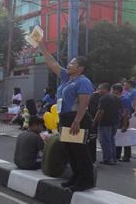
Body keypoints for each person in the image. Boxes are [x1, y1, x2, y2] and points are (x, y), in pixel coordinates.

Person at [37, 41, 95, 191]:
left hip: (77, 118)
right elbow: (52, 62)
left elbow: (83, 103)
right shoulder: (66, 78)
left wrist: (77, 121)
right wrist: (41, 46)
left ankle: (86, 180)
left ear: (80, 68)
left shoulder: (83, 82)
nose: (69, 65)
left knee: (79, 150)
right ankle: (76, 176)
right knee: (69, 149)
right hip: (65, 117)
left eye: (72, 63)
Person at [94, 83, 120, 165]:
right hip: (115, 122)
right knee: (111, 140)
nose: (98, 91)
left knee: (105, 141)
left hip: (105, 122)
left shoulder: (104, 98)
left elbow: (100, 111)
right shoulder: (116, 98)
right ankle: (113, 158)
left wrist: (95, 121)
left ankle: (108, 159)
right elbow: (120, 110)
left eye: (100, 89)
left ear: (105, 89)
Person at [116, 81, 136, 163]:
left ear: (129, 85)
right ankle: (117, 155)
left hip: (127, 115)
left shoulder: (134, 91)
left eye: (125, 84)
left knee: (125, 136)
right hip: (121, 116)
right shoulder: (125, 92)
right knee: (119, 136)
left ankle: (127, 156)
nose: (124, 85)